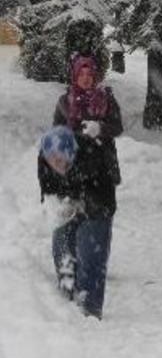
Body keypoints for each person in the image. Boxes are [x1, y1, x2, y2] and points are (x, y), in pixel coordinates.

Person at [38, 125, 117, 318]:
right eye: (50, 159)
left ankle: (89, 309)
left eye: (59, 159)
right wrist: (56, 205)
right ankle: (67, 295)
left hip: (97, 206)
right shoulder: (44, 160)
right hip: (67, 205)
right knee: (61, 246)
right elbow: (47, 189)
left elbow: (104, 194)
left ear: (69, 153)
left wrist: (81, 202)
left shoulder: (91, 156)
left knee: (90, 254)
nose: (54, 164)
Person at [55, 55, 123, 187]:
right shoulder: (65, 101)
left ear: (95, 76)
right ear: (75, 76)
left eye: (89, 74)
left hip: (103, 165)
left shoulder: (106, 99)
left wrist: (100, 128)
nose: (85, 78)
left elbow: (117, 127)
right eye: (81, 74)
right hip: (74, 166)